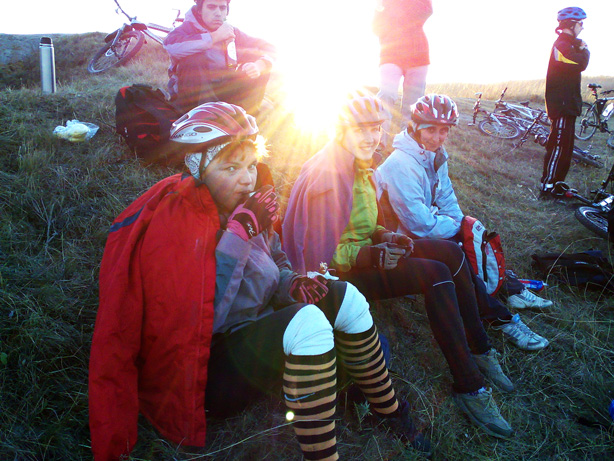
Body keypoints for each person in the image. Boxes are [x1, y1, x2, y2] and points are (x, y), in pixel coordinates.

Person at [89, 102, 431, 460]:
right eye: (231, 167)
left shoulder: (248, 208)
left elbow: (275, 262)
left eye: (251, 165)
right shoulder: (178, 226)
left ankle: (390, 412)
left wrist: (292, 283)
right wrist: (237, 235)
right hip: (211, 371)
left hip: (257, 335)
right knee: (308, 322)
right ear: (197, 168)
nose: (247, 179)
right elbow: (202, 322)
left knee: (348, 296)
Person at [283, 89, 516, 439]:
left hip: (366, 255)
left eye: (375, 128)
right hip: (340, 277)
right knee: (436, 275)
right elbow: (317, 255)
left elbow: (361, 226)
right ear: (341, 131)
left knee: (451, 254)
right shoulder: (328, 178)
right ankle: (470, 385)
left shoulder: (359, 164)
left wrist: (386, 236)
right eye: (360, 129)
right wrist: (370, 255)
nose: (370, 137)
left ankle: (480, 348)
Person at [375, 94, 551, 351]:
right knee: (458, 253)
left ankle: (509, 288)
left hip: (423, 228)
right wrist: (460, 229)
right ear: (415, 127)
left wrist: (462, 226)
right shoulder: (400, 164)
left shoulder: (434, 155)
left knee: (473, 241)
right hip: (399, 240)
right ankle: (501, 318)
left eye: (443, 131)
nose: (437, 138)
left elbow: (446, 197)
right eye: (431, 130)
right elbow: (419, 224)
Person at [163, 0, 275, 115]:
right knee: (195, 59)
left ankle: (244, 119)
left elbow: (269, 48)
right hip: (192, 97)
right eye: (211, 7)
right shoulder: (186, 29)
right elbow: (170, 46)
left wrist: (259, 65)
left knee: (259, 70)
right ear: (200, 10)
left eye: (222, 8)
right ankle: (196, 118)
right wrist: (213, 37)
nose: (218, 13)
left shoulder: (232, 32)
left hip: (223, 89)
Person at [540, 7, 590, 198]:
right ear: (571, 24)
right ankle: (547, 187)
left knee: (566, 150)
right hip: (561, 105)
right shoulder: (561, 45)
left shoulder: (568, 44)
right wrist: (585, 49)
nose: (582, 27)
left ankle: (557, 184)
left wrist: (578, 45)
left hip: (568, 105)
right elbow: (579, 63)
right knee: (558, 147)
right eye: (580, 23)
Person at [372, 0, 432, 156]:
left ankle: (406, 145)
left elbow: (427, 10)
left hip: (419, 55)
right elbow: (375, 26)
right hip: (390, 53)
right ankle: (378, 140)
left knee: (413, 104)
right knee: (386, 94)